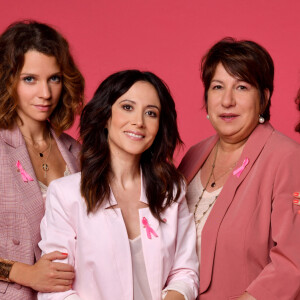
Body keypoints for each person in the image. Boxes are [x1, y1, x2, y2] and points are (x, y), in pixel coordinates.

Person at [38, 70, 199, 300]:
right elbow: (54, 291)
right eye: (127, 107)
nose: (139, 122)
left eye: (151, 113)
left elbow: (185, 272)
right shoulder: (66, 194)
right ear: (105, 116)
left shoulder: (171, 191)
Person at [179, 38, 300, 300]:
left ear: (264, 98)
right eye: (217, 87)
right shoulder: (193, 156)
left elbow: (293, 262)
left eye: (242, 87)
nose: (227, 100)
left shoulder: (288, 158)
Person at [0, 20, 84, 299]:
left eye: (54, 79)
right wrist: (25, 273)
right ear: (7, 79)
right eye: (30, 79)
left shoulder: (76, 153)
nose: (45, 93)